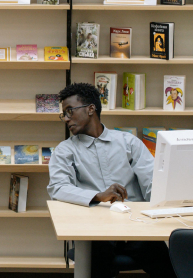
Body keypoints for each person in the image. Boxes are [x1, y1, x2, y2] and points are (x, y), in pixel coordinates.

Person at [46, 83, 175, 278]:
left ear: (91, 109)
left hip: (137, 227)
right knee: (96, 260)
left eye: (70, 111)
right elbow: (58, 188)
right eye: (63, 114)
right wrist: (98, 196)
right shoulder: (65, 150)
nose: (66, 118)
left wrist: (169, 206)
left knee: (168, 264)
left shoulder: (128, 142)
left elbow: (153, 183)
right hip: (95, 230)